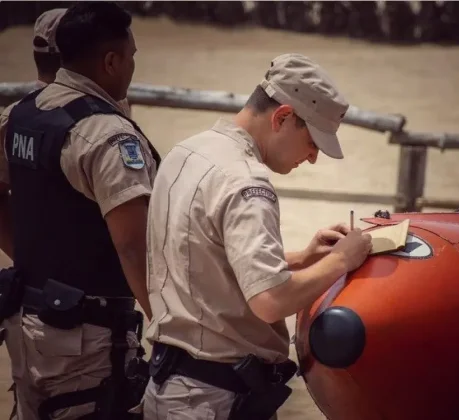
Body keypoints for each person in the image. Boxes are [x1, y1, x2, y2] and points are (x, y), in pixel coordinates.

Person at [142, 53, 373, 420]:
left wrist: (303, 258)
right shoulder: (246, 180)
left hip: (168, 386)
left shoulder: (186, 152)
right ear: (282, 117)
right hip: (214, 398)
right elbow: (270, 301)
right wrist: (342, 260)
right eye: (313, 140)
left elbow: (202, 256)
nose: (313, 157)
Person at [0, 2, 160, 419]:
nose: (133, 67)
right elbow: (131, 246)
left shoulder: (21, 115)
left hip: (30, 320)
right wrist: (166, 321)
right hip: (84, 339)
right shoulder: (104, 135)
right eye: (131, 57)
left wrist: (35, 265)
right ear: (111, 61)